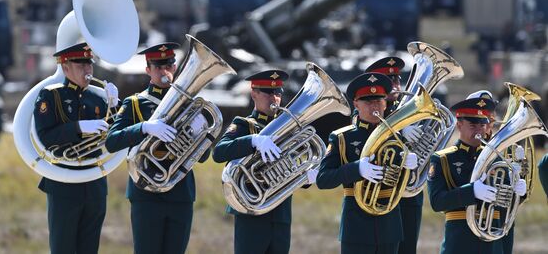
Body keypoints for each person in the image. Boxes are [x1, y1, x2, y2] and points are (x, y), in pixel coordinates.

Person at [106, 42, 209, 254]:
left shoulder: (189, 104)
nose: (165, 71)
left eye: (169, 65)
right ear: (148, 70)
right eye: (158, 67)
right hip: (146, 194)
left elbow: (203, 156)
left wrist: (199, 130)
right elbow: (112, 141)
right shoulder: (135, 103)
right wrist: (144, 128)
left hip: (180, 192)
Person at [213, 69, 318, 254]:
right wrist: (253, 141)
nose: (274, 98)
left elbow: (289, 168)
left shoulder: (288, 131)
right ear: (254, 94)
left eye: (278, 93)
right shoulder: (244, 125)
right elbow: (219, 152)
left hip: (280, 214)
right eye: (268, 93)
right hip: (250, 212)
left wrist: (305, 177)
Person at [316, 72, 419, 254]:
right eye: (368, 101)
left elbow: (406, 184)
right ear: (356, 104)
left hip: (390, 226)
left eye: (379, 100)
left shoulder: (396, 136)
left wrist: (410, 168)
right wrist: (356, 169)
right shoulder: (342, 138)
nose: (375, 106)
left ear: (386, 102)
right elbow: (323, 179)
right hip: (356, 227)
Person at [33, 42, 119, 254]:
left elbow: (117, 136)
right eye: (80, 64)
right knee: (63, 247)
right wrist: (78, 127)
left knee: (90, 248)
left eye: (89, 64)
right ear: (65, 67)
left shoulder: (98, 98)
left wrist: (116, 105)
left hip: (95, 182)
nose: (88, 69)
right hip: (64, 182)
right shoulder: (51, 95)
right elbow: (46, 137)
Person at [427, 96, 527, 254]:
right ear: (459, 125)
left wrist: (518, 193)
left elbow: (506, 203)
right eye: (473, 125)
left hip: (492, 243)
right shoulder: (442, 159)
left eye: (482, 125)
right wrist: (471, 191)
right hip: (460, 243)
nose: (479, 130)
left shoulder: (496, 159)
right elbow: (437, 202)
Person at [366, 57, 423, 254]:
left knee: (408, 249)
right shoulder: (369, 112)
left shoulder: (411, 110)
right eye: (389, 81)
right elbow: (368, 141)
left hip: (410, 193)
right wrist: (398, 131)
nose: (396, 85)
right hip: (383, 193)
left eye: (397, 80)